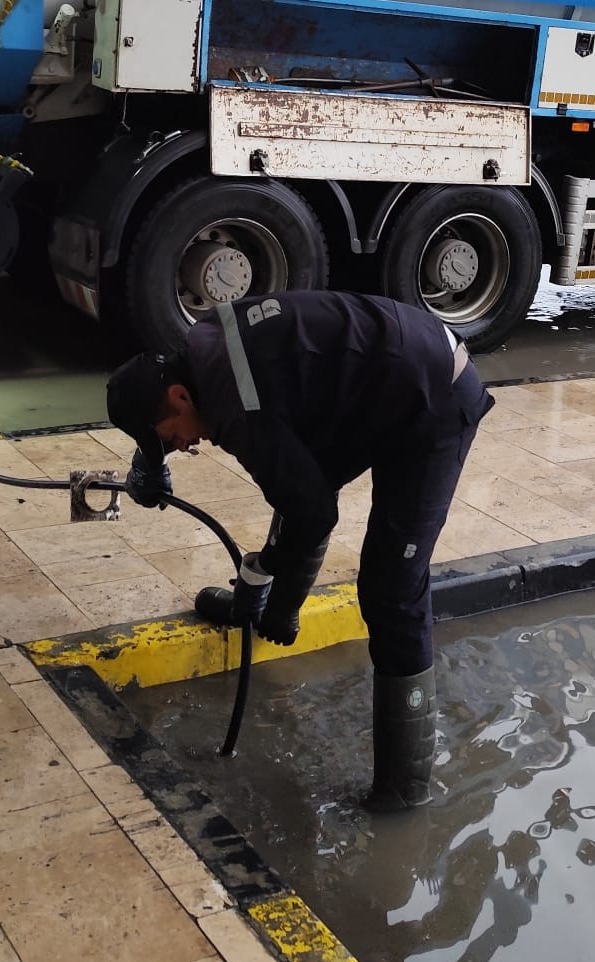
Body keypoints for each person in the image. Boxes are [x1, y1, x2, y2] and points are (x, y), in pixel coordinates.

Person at [106, 291, 493, 812]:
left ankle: (406, 786)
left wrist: (259, 571)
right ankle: (276, 615)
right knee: (299, 480)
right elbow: (296, 492)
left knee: (389, 586)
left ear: (179, 398)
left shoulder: (234, 406)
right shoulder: (199, 347)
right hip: (377, 378)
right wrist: (148, 465)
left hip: (432, 395)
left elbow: (314, 518)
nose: (183, 446)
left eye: (170, 438)